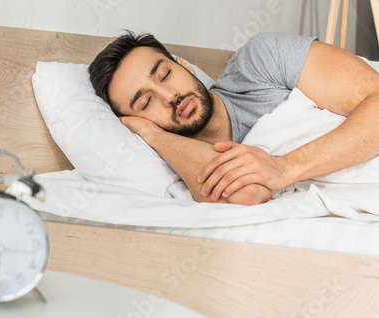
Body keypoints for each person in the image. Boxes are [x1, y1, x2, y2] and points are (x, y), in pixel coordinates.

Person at [88, 31, 379, 206]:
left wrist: (285, 167)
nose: (169, 96)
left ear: (185, 66)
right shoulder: (180, 160)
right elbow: (248, 195)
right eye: (146, 102)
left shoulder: (260, 59)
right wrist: (153, 136)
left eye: (165, 75)